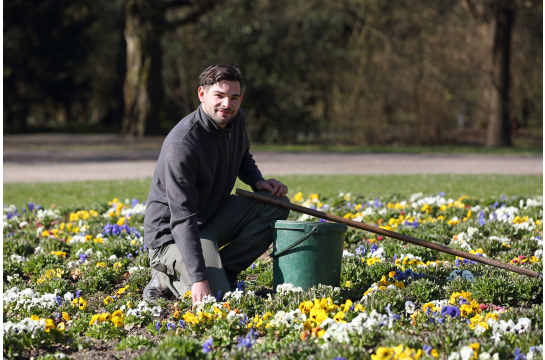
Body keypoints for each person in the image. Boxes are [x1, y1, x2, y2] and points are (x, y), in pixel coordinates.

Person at [143, 64, 290, 304]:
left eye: (233, 98)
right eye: (219, 96)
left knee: (277, 204)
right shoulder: (182, 145)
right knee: (217, 298)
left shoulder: (235, 118)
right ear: (202, 94)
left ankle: (226, 270)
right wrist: (199, 278)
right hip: (172, 234)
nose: (226, 104)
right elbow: (181, 218)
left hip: (209, 219)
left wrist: (257, 181)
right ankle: (163, 277)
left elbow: (242, 155)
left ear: (240, 99)